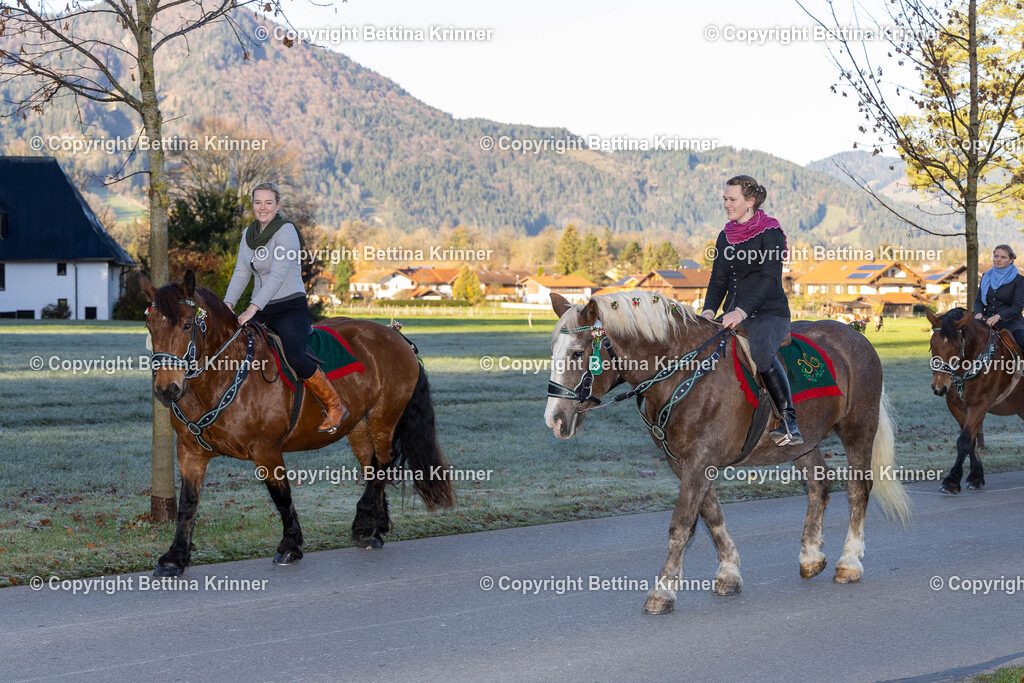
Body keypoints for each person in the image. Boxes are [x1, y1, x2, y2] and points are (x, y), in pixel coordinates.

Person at [224, 182, 348, 432]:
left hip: (290, 307)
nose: (263, 207)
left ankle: (334, 405)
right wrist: (227, 304)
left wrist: (251, 309)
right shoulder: (248, 234)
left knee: (295, 354)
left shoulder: (286, 231)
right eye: (258, 202)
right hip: (262, 309)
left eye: (268, 203)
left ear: (278, 205)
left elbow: (278, 275)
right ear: (253, 205)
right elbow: (241, 272)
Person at [702, 175, 802, 446]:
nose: (726, 204)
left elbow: (770, 280)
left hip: (769, 313)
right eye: (724, 199)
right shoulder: (725, 236)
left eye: (732, 199)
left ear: (750, 201)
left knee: (760, 353)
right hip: (732, 313)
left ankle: (789, 422)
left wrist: (741, 312)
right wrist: (709, 310)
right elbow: (718, 279)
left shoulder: (771, 234)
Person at [973, 244, 1024, 350]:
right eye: (996, 256)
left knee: (1022, 340)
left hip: (1012, 324)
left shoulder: (1019, 280)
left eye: (1003, 257)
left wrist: (998, 316)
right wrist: (978, 313)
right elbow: (979, 301)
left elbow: (1017, 307)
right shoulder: (986, 277)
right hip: (986, 322)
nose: (998, 260)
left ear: (1010, 260)